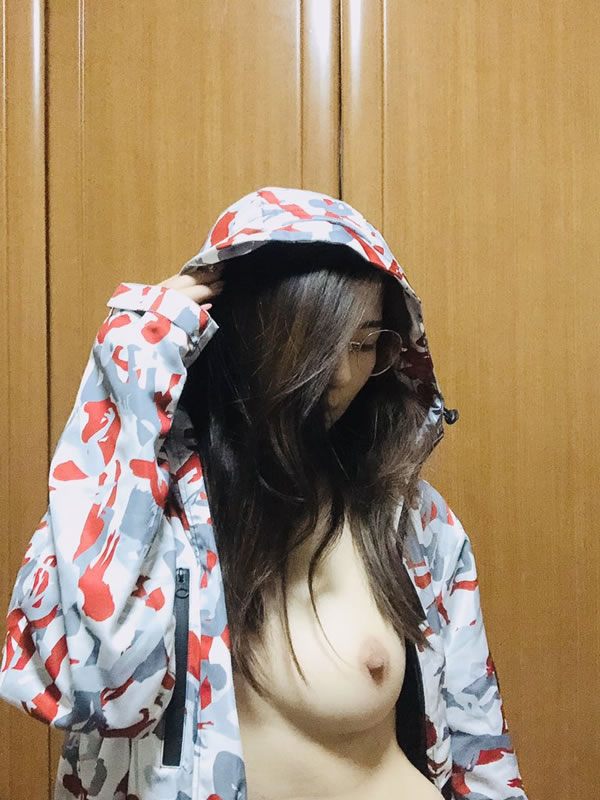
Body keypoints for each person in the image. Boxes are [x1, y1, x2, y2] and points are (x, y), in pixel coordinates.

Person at [0, 187, 527, 800]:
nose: (341, 375)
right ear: (242, 332)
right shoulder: (157, 512)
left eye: (364, 344)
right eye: (312, 344)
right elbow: (91, 686)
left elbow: (480, 750)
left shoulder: (412, 519)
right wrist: (128, 371)